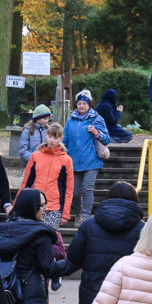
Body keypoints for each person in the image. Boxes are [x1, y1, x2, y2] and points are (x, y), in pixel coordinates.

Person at [57, 181, 145, 304]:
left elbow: (72, 260)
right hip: (128, 301)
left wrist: (48, 268)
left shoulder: (89, 225)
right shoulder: (143, 229)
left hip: (92, 299)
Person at [63, 90, 109, 223]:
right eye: (79, 103)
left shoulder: (96, 119)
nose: (81, 106)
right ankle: (78, 212)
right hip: (74, 161)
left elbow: (106, 139)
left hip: (92, 161)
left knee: (87, 189)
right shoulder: (70, 120)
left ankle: (86, 216)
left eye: (84, 103)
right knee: (76, 192)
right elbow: (65, 140)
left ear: (89, 105)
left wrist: (96, 133)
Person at [17, 123, 74, 230]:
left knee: (48, 239)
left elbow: (69, 189)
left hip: (54, 207)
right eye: (50, 136)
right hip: (34, 205)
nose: (51, 140)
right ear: (46, 136)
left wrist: (65, 213)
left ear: (61, 138)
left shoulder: (66, 160)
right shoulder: (35, 156)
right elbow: (26, 183)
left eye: (55, 138)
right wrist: (16, 205)